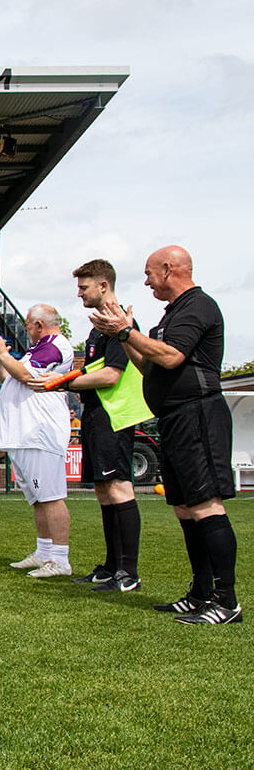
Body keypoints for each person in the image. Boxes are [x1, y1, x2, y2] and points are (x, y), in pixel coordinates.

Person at [90, 245, 240, 624]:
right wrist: (125, 335)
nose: (145, 280)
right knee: (185, 508)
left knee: (206, 504)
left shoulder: (198, 306)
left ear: (169, 269)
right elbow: (148, 363)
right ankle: (201, 592)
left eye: (149, 273)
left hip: (199, 414)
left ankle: (226, 601)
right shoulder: (171, 315)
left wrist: (124, 330)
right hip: (174, 418)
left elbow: (172, 357)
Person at [46, 259, 141, 591]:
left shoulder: (119, 323)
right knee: (103, 490)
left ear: (104, 285)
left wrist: (65, 383)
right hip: (96, 415)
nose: (79, 292)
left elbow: (112, 374)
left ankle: (129, 573)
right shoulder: (97, 327)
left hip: (114, 416)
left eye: (84, 286)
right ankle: (112, 565)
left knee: (118, 487)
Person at [0, 305, 75, 576]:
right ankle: (44, 551)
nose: (26, 330)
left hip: (40, 431)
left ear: (39, 325)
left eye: (28, 325)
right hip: (25, 432)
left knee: (50, 497)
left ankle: (60, 558)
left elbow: (24, 375)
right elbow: (9, 378)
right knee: (37, 498)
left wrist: (2, 354)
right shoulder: (37, 348)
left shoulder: (55, 345)